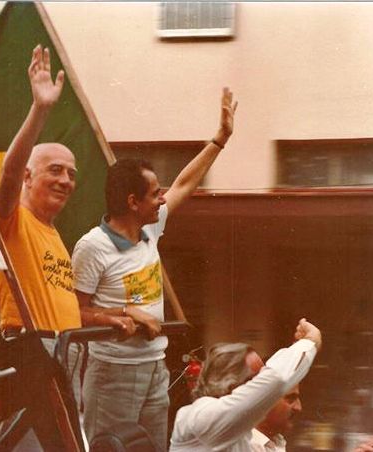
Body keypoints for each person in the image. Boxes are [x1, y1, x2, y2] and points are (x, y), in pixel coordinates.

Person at [72, 87, 237, 450]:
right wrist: (123, 314)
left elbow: (184, 184)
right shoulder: (92, 247)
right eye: (154, 194)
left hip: (154, 368)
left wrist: (219, 140)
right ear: (132, 202)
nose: (162, 199)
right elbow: (73, 313)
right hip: (112, 375)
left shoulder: (149, 228)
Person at [0, 44, 135, 339]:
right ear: (28, 177)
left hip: (62, 355)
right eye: (55, 170)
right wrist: (40, 110)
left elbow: (66, 312)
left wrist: (112, 319)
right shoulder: (11, 219)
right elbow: (9, 171)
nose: (65, 180)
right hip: (29, 351)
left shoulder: (53, 234)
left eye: (71, 174)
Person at [169, 318, 322, 452]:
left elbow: (276, 382)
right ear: (232, 387)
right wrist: (310, 342)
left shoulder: (247, 435)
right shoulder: (198, 416)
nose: (260, 384)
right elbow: (274, 381)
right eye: (255, 380)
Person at [250, 385, 302, 451]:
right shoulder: (242, 446)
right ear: (264, 401)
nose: (298, 407)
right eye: (291, 398)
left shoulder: (278, 443)